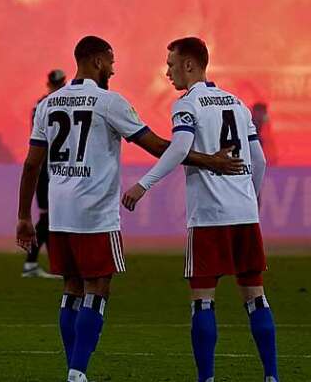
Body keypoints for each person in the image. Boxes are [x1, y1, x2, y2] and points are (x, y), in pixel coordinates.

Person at [17, 36, 243, 382]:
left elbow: (32, 164)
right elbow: (156, 146)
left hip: (60, 213)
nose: (113, 67)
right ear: (95, 61)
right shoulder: (109, 102)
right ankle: (77, 371)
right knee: (98, 288)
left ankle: (72, 368)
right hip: (94, 212)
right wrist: (208, 160)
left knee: (71, 288)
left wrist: (23, 216)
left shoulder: (49, 103)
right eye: (110, 60)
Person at [121, 38, 278, 382]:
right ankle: (272, 376)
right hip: (245, 215)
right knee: (255, 297)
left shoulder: (187, 104)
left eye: (171, 64)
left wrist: (143, 184)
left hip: (209, 218)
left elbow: (178, 149)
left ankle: (206, 378)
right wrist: (251, 198)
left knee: (203, 301)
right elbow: (260, 160)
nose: (167, 72)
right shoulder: (237, 103)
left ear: (189, 65)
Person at [22, 68, 67, 279]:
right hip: (49, 169)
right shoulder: (48, 106)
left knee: (51, 218)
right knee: (48, 217)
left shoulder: (44, 105)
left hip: (55, 168)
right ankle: (31, 263)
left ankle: (53, 264)